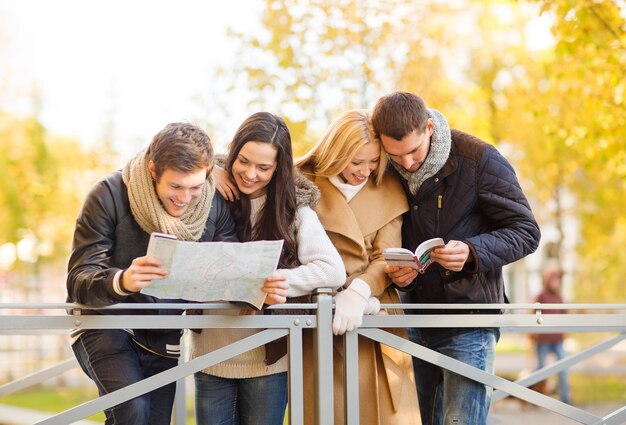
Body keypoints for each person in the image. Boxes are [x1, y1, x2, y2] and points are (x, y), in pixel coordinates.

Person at [371, 91, 541, 425]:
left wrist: (472, 250)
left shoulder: (479, 159)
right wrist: (404, 273)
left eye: (413, 151)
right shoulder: (384, 168)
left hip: (470, 320)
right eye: (395, 155)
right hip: (414, 317)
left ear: (430, 127)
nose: (406, 163)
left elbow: (527, 231)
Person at [66, 123, 238, 425]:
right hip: (105, 325)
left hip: (164, 334)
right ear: (152, 169)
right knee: (132, 411)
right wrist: (122, 280)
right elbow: (79, 278)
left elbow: (231, 269)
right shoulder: (107, 194)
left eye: (195, 187)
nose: (185, 198)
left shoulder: (214, 206)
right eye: (176, 186)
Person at [189, 111, 345, 425]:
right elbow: (160, 158)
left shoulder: (294, 212)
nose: (249, 174)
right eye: (243, 161)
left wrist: (285, 280)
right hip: (210, 353)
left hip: (267, 359)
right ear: (232, 152)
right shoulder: (205, 193)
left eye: (263, 167)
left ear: (278, 169)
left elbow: (333, 270)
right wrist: (207, 171)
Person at [296, 109, 421, 424]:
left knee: (382, 410)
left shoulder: (389, 188)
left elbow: (385, 256)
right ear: (335, 152)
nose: (365, 170)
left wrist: (359, 291)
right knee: (326, 408)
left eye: (374, 161)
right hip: (318, 310)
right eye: (355, 161)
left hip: (373, 308)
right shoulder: (301, 183)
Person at [532, 265, 570, 404]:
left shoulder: (560, 297)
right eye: (553, 279)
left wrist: (565, 331)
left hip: (558, 339)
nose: (555, 282)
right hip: (543, 340)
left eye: (557, 279)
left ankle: (566, 399)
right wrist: (533, 334)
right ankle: (537, 400)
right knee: (541, 371)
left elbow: (565, 315)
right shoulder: (541, 296)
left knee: (564, 369)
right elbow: (533, 315)